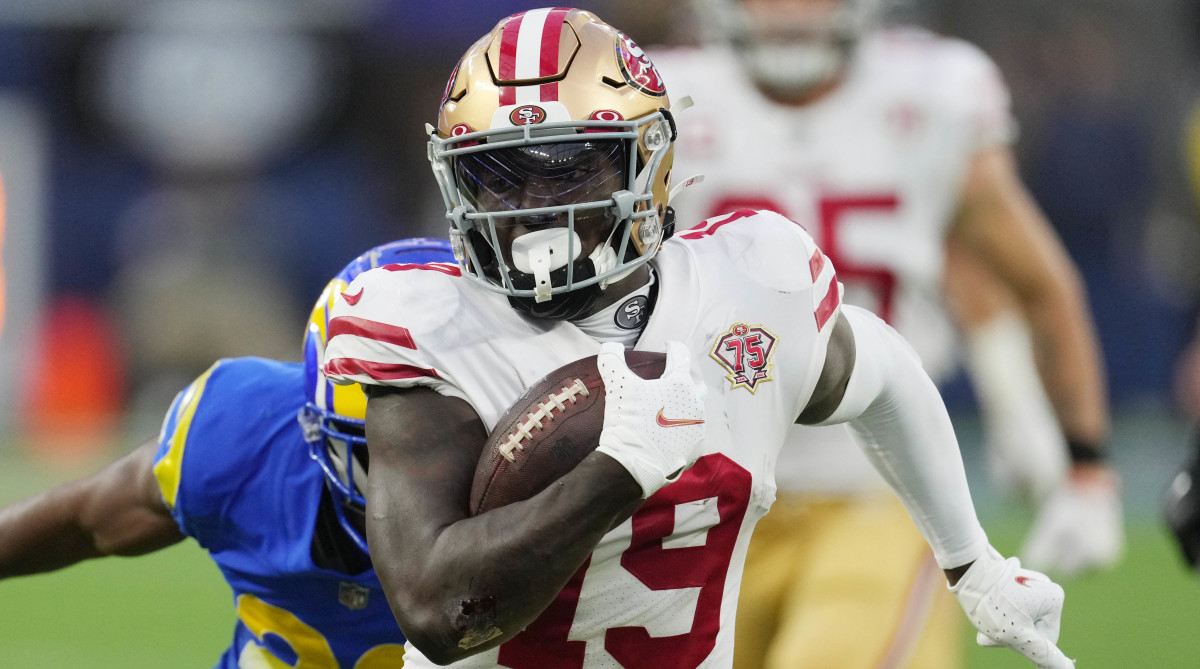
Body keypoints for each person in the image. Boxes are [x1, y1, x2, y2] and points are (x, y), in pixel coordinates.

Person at [321, 8, 1072, 668]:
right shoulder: (430, 325)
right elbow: (434, 608)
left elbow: (885, 373)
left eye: (565, 170)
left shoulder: (748, 287)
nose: (528, 209)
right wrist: (619, 468)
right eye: (496, 176)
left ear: (645, 164)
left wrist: (971, 560)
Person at [647, 1, 1121, 666]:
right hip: (699, 504)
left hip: (875, 490)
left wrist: (1087, 467)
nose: (791, 10)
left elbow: (1037, 282)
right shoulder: (656, 98)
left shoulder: (931, 93)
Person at [0, 238, 456, 667]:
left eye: (438, 447)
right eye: (371, 456)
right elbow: (84, 522)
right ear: (314, 421)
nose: (401, 478)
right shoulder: (244, 433)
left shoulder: (525, 474)